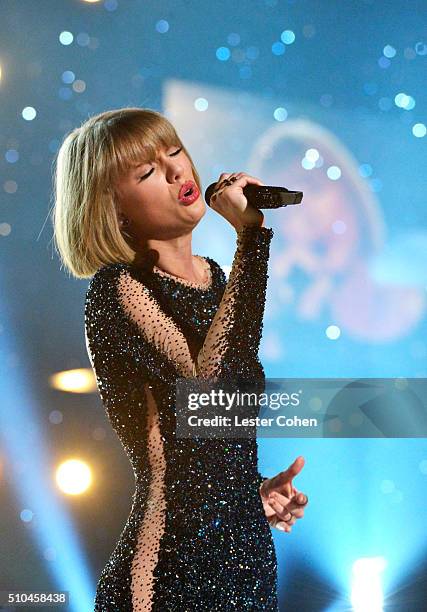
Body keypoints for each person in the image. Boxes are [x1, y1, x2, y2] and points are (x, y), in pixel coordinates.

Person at [52, 107, 309, 611]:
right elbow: (209, 387)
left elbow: (209, 435)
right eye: (147, 171)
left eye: (173, 152)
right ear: (112, 209)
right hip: (169, 573)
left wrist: (245, 498)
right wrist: (252, 237)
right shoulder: (118, 290)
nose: (176, 171)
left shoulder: (217, 278)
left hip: (247, 565)